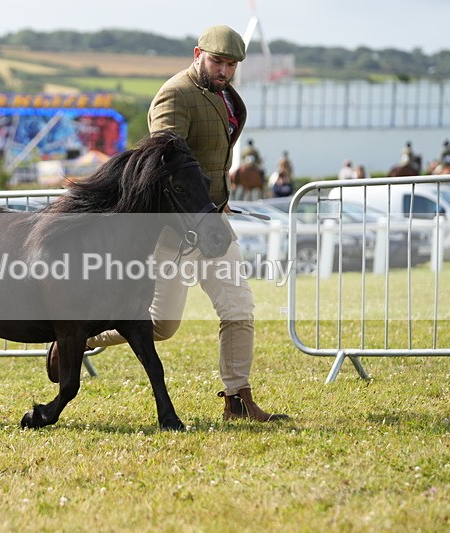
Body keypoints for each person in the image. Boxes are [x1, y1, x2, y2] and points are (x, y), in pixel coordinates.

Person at [47, 25, 288, 422]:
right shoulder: (176, 94)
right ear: (197, 54)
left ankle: (238, 399)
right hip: (174, 229)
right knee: (161, 325)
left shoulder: (227, 97)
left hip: (213, 224)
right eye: (217, 62)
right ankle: (83, 336)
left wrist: (219, 206)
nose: (225, 71)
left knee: (238, 306)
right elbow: (164, 161)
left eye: (231, 65)